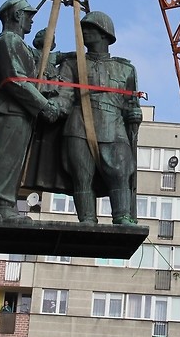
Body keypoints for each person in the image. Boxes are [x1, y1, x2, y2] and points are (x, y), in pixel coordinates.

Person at [56, 11, 141, 225]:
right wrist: (49, 107)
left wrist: (135, 115)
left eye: (90, 28)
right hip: (79, 125)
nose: (84, 32)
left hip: (114, 126)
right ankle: (87, 219)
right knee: (81, 176)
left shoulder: (126, 69)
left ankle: (122, 216)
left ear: (105, 33)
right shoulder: (72, 64)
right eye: (83, 28)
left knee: (121, 171)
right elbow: (64, 97)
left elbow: (131, 104)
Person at [0, 0, 61, 224]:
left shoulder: (17, 44)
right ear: (17, 15)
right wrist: (43, 105)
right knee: (7, 158)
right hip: (12, 110)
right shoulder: (9, 41)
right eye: (29, 15)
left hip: (21, 112)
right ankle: (0, 206)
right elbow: (16, 81)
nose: (32, 20)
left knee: (15, 160)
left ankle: (5, 205)